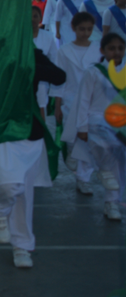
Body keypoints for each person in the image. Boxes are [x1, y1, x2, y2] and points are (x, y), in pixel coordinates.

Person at [0, 27, 67, 268]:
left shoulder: (32, 55)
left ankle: (22, 246)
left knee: (24, 194)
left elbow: (60, 76)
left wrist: (25, 65)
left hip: (27, 132)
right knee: (8, 186)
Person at [72, 32, 126, 221]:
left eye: (120, 48)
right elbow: (83, 100)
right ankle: (102, 169)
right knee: (108, 147)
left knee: (119, 164)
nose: (116, 52)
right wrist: (81, 127)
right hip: (96, 120)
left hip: (121, 124)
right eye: (111, 48)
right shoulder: (93, 72)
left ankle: (112, 202)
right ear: (102, 50)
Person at [52, 12, 102, 193]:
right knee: (73, 136)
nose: (85, 33)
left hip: (93, 101)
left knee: (87, 140)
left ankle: (83, 178)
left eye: (89, 29)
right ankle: (71, 151)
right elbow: (59, 79)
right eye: (82, 29)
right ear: (73, 28)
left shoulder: (98, 49)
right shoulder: (64, 51)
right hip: (70, 98)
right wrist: (57, 105)